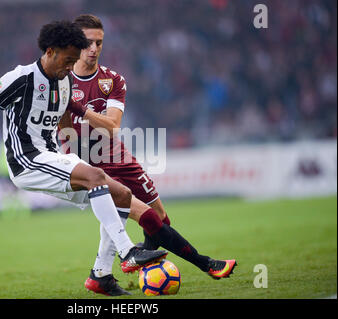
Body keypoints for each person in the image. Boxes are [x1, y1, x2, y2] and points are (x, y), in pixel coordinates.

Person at [0, 20, 169, 276]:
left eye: (73, 61)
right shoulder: (20, 78)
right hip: (26, 160)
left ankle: (101, 275)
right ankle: (128, 252)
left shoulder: (64, 80)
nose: (71, 67)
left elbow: (65, 123)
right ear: (50, 52)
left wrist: (73, 154)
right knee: (96, 177)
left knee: (121, 195)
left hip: (51, 155)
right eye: (67, 60)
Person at [58, 14, 237, 296]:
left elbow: (113, 124)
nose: (94, 49)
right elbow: (64, 131)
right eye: (88, 42)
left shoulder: (113, 80)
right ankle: (206, 264)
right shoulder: (60, 81)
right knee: (139, 212)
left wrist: (79, 110)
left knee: (160, 217)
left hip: (116, 155)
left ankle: (123, 271)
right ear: (75, 43)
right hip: (86, 160)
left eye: (99, 43)